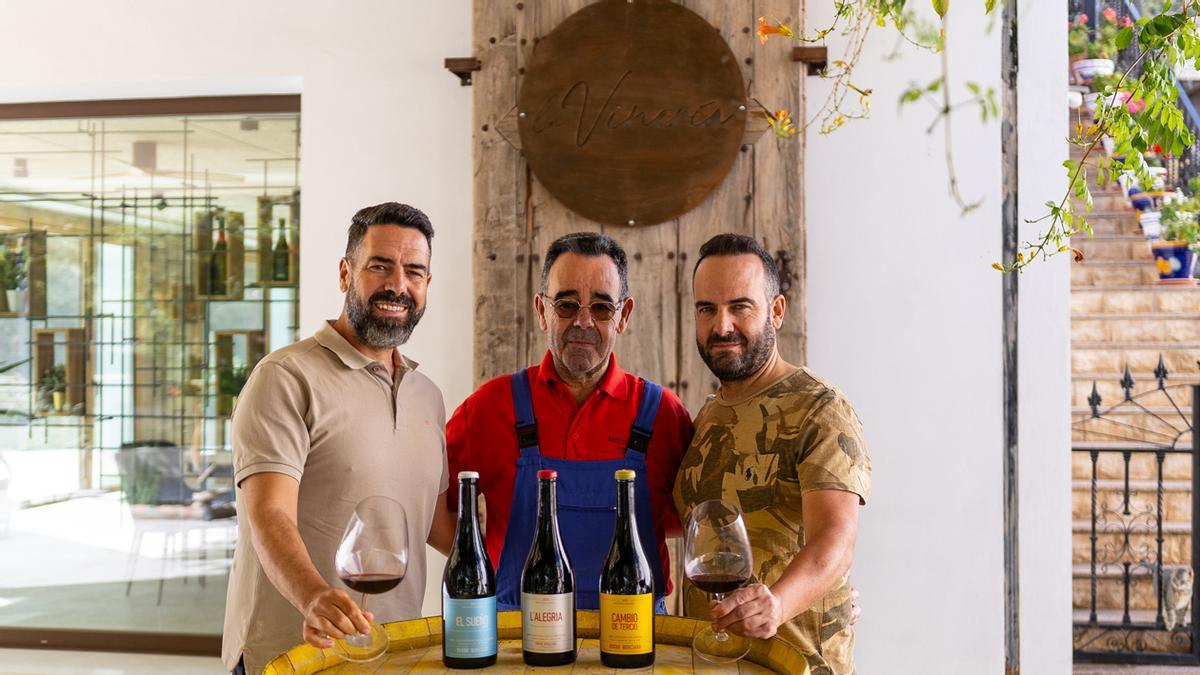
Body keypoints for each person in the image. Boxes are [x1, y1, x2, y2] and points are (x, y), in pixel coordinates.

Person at [221, 203, 449, 675]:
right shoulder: (285, 377)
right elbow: (268, 513)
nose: (398, 286)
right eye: (380, 266)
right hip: (294, 656)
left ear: (427, 286)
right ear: (346, 274)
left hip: (394, 654)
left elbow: (439, 523)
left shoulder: (427, 396)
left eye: (414, 271)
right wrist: (314, 597)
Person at [432, 232, 692, 611]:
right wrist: (482, 563)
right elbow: (433, 512)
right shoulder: (489, 408)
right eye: (567, 305)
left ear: (624, 315)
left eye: (602, 307)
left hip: (636, 638)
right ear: (541, 310)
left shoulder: (663, 415)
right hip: (514, 641)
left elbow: (691, 517)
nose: (583, 322)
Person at [673, 233, 871, 675]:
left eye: (740, 306)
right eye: (707, 309)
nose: (721, 326)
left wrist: (779, 604)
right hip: (710, 664)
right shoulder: (707, 416)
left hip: (796, 665)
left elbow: (835, 540)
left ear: (776, 311)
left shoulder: (820, 408)